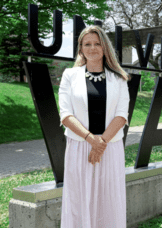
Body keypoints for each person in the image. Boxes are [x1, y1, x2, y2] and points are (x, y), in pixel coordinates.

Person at [59, 25, 130, 228]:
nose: (92, 48)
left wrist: (101, 143)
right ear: (80, 48)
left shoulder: (119, 78)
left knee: (109, 202)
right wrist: (93, 140)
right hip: (79, 147)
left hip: (110, 148)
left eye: (97, 43)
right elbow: (65, 115)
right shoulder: (69, 76)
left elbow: (121, 115)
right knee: (78, 201)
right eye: (87, 44)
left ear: (104, 47)